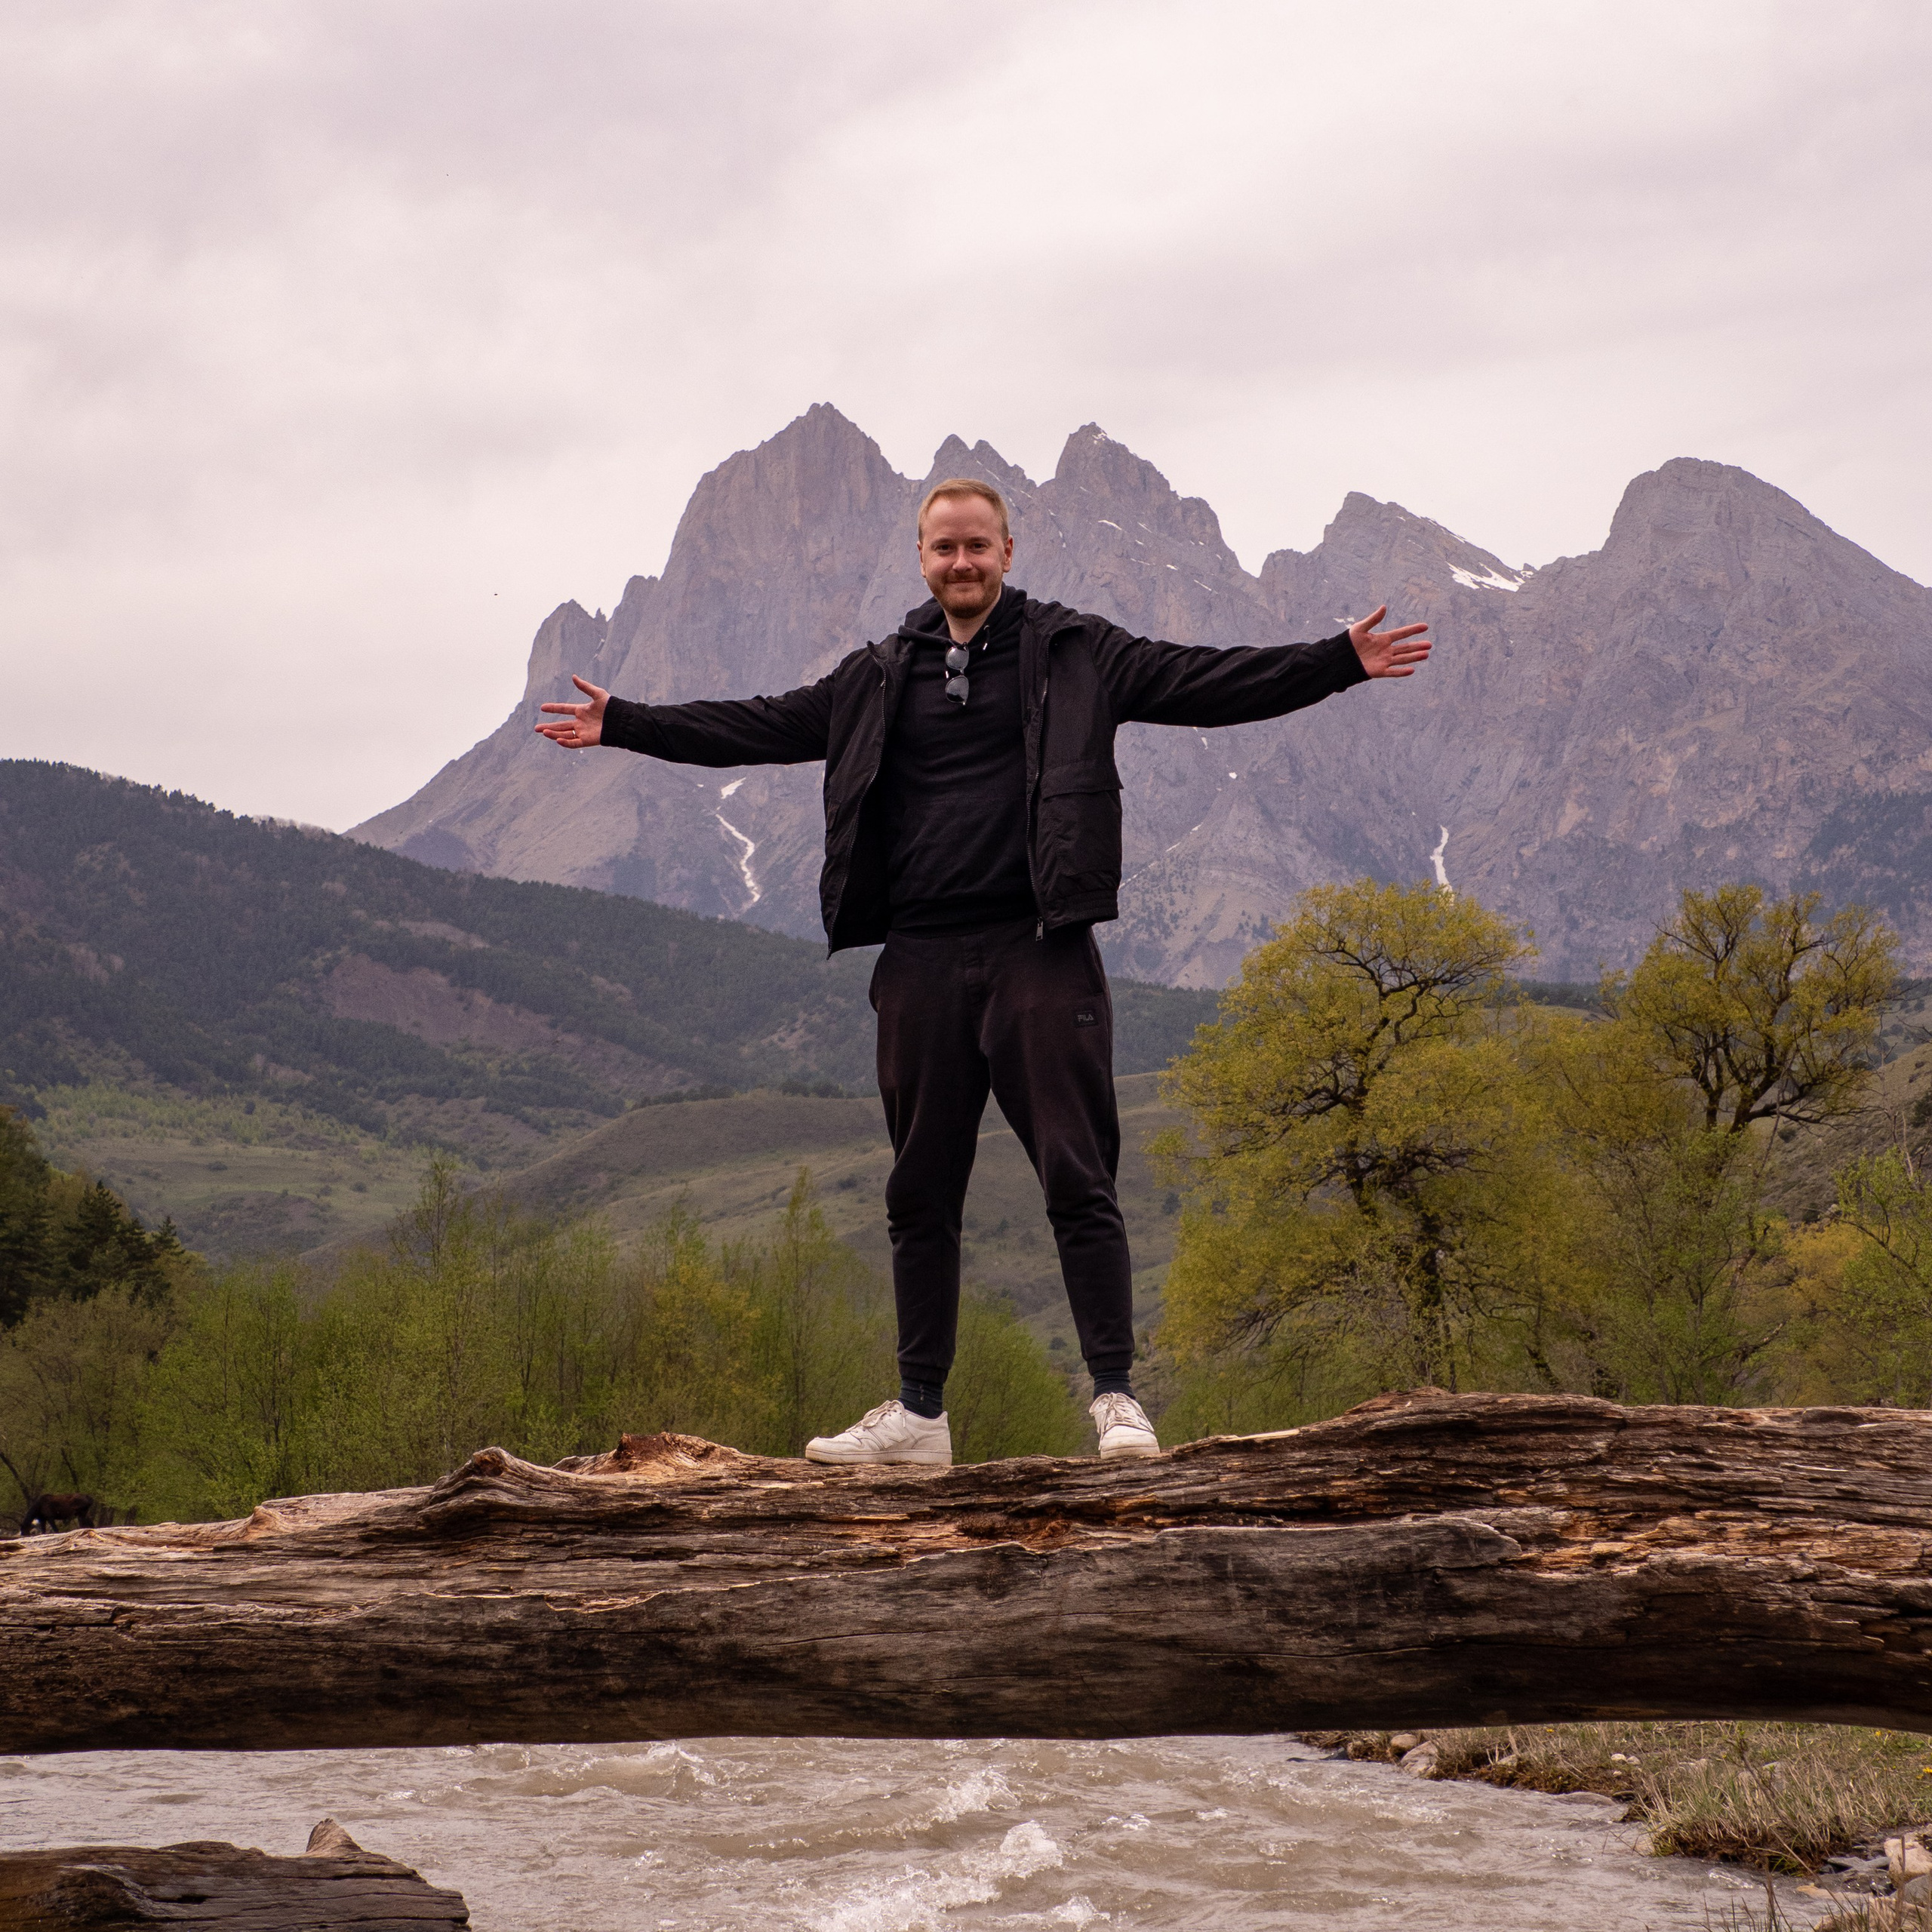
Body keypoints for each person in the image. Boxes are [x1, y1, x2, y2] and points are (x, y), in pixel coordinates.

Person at [536, 478, 1429, 1465]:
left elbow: (1208, 683)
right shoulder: (877, 676)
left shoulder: (1078, 652)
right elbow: (757, 725)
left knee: (1077, 1177)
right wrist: (626, 722)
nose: (961, 562)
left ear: (1008, 551)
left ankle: (1117, 1399)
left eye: (977, 546)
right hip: (918, 961)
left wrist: (1337, 661)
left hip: (1039, 951)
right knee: (919, 1191)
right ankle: (920, 1415)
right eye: (944, 548)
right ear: (922, 559)